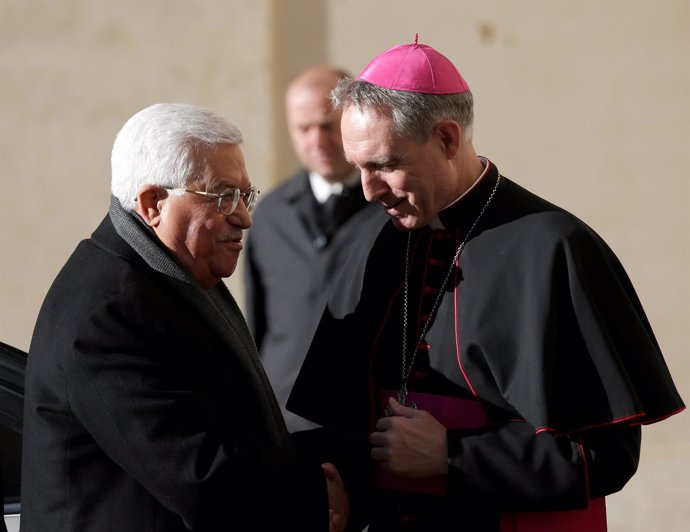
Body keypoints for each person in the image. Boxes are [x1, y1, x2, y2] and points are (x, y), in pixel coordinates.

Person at [287, 37, 685, 532]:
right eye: (358, 168)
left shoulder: (557, 248)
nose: (368, 191)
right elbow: (341, 420)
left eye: (384, 165)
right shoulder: (375, 244)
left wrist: (452, 454)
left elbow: (606, 456)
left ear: (448, 139)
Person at [20, 103, 349, 532]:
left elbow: (237, 430)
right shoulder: (109, 314)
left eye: (246, 195)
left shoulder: (174, 275)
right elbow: (199, 473)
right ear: (154, 203)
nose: (245, 217)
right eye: (223, 196)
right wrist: (318, 492)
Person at [244, 65, 385, 434]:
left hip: (367, 427)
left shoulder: (396, 211)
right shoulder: (269, 214)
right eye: (303, 129)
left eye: (327, 125)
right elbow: (257, 327)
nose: (317, 141)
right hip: (281, 428)